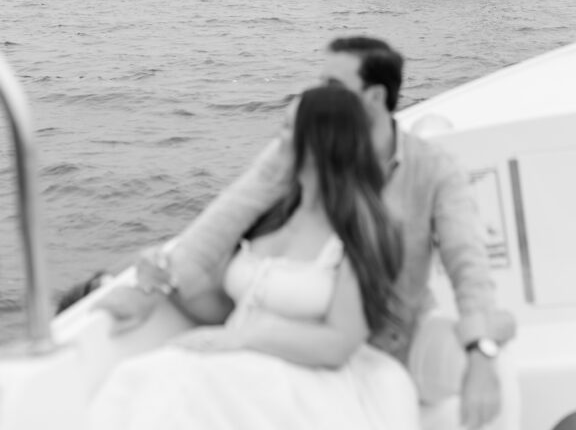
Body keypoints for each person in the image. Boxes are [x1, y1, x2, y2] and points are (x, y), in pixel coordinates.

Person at [102, 37, 512, 428]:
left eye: (332, 84)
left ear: (373, 97)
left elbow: (468, 264)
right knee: (151, 384)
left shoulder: (430, 173)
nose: (318, 91)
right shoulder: (294, 161)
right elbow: (227, 214)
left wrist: (481, 350)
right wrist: (155, 284)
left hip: (383, 340)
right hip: (277, 350)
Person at [90, 85, 421, 430]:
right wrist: (167, 281)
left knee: (175, 386)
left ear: (322, 142)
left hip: (305, 379)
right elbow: (228, 308)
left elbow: (339, 344)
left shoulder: (364, 231)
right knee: (145, 379)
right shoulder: (274, 213)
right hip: (241, 363)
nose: (278, 138)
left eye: (289, 127)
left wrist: (241, 339)